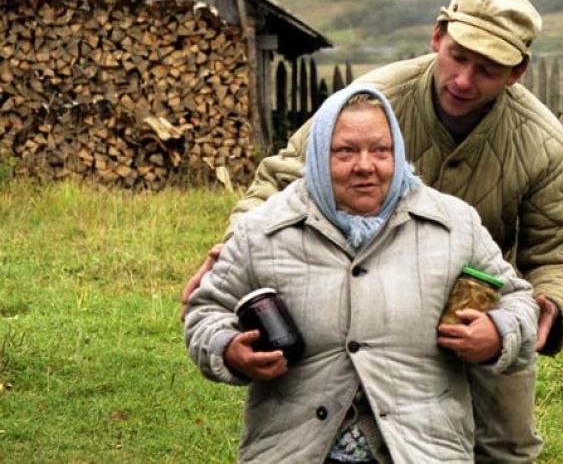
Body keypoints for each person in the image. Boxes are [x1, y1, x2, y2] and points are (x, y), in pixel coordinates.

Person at [183, 0, 563, 462]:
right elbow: (286, 177)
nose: (465, 80)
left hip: (477, 299)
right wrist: (234, 248)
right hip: (363, 284)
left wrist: (532, 315)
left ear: (518, 71)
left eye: (487, 69)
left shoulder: (541, 142)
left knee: (506, 444)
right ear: (438, 35)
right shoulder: (372, 101)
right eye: (459, 57)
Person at [184, 86, 537, 463]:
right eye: (345, 151)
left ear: (397, 153)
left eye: (381, 151)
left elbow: (518, 299)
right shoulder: (264, 230)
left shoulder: (453, 224)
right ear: (319, 156)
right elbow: (205, 310)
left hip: (420, 450)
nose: (365, 166)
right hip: (295, 449)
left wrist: (498, 333)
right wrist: (228, 350)